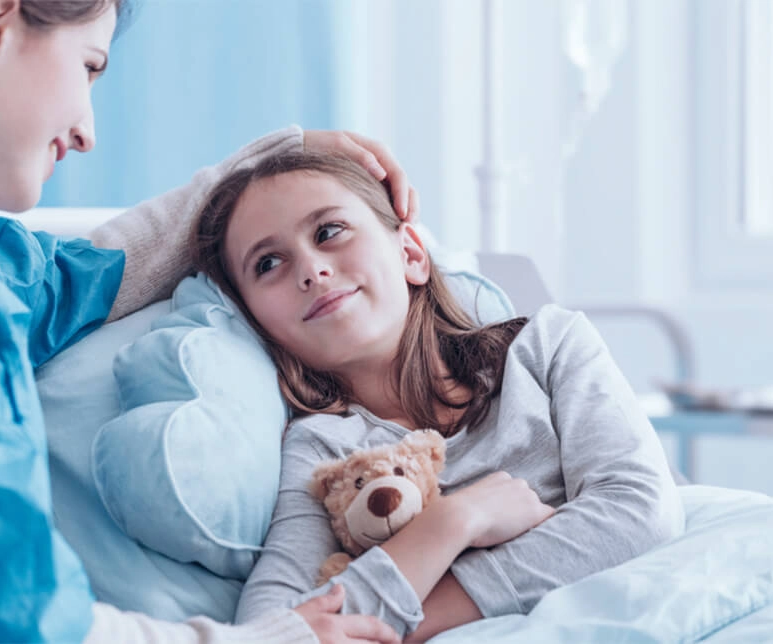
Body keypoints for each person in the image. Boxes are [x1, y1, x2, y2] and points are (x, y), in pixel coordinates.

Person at [0, 1, 409, 642]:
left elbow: (62, 282)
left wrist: (266, 167)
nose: (87, 132)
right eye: (88, 66)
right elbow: (0, 620)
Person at [192, 151, 686, 643]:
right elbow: (272, 629)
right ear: (260, 325)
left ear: (410, 254)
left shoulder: (550, 347)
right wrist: (456, 520)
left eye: (329, 232)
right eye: (268, 263)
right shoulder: (321, 450)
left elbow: (641, 512)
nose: (311, 270)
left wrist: (416, 620)